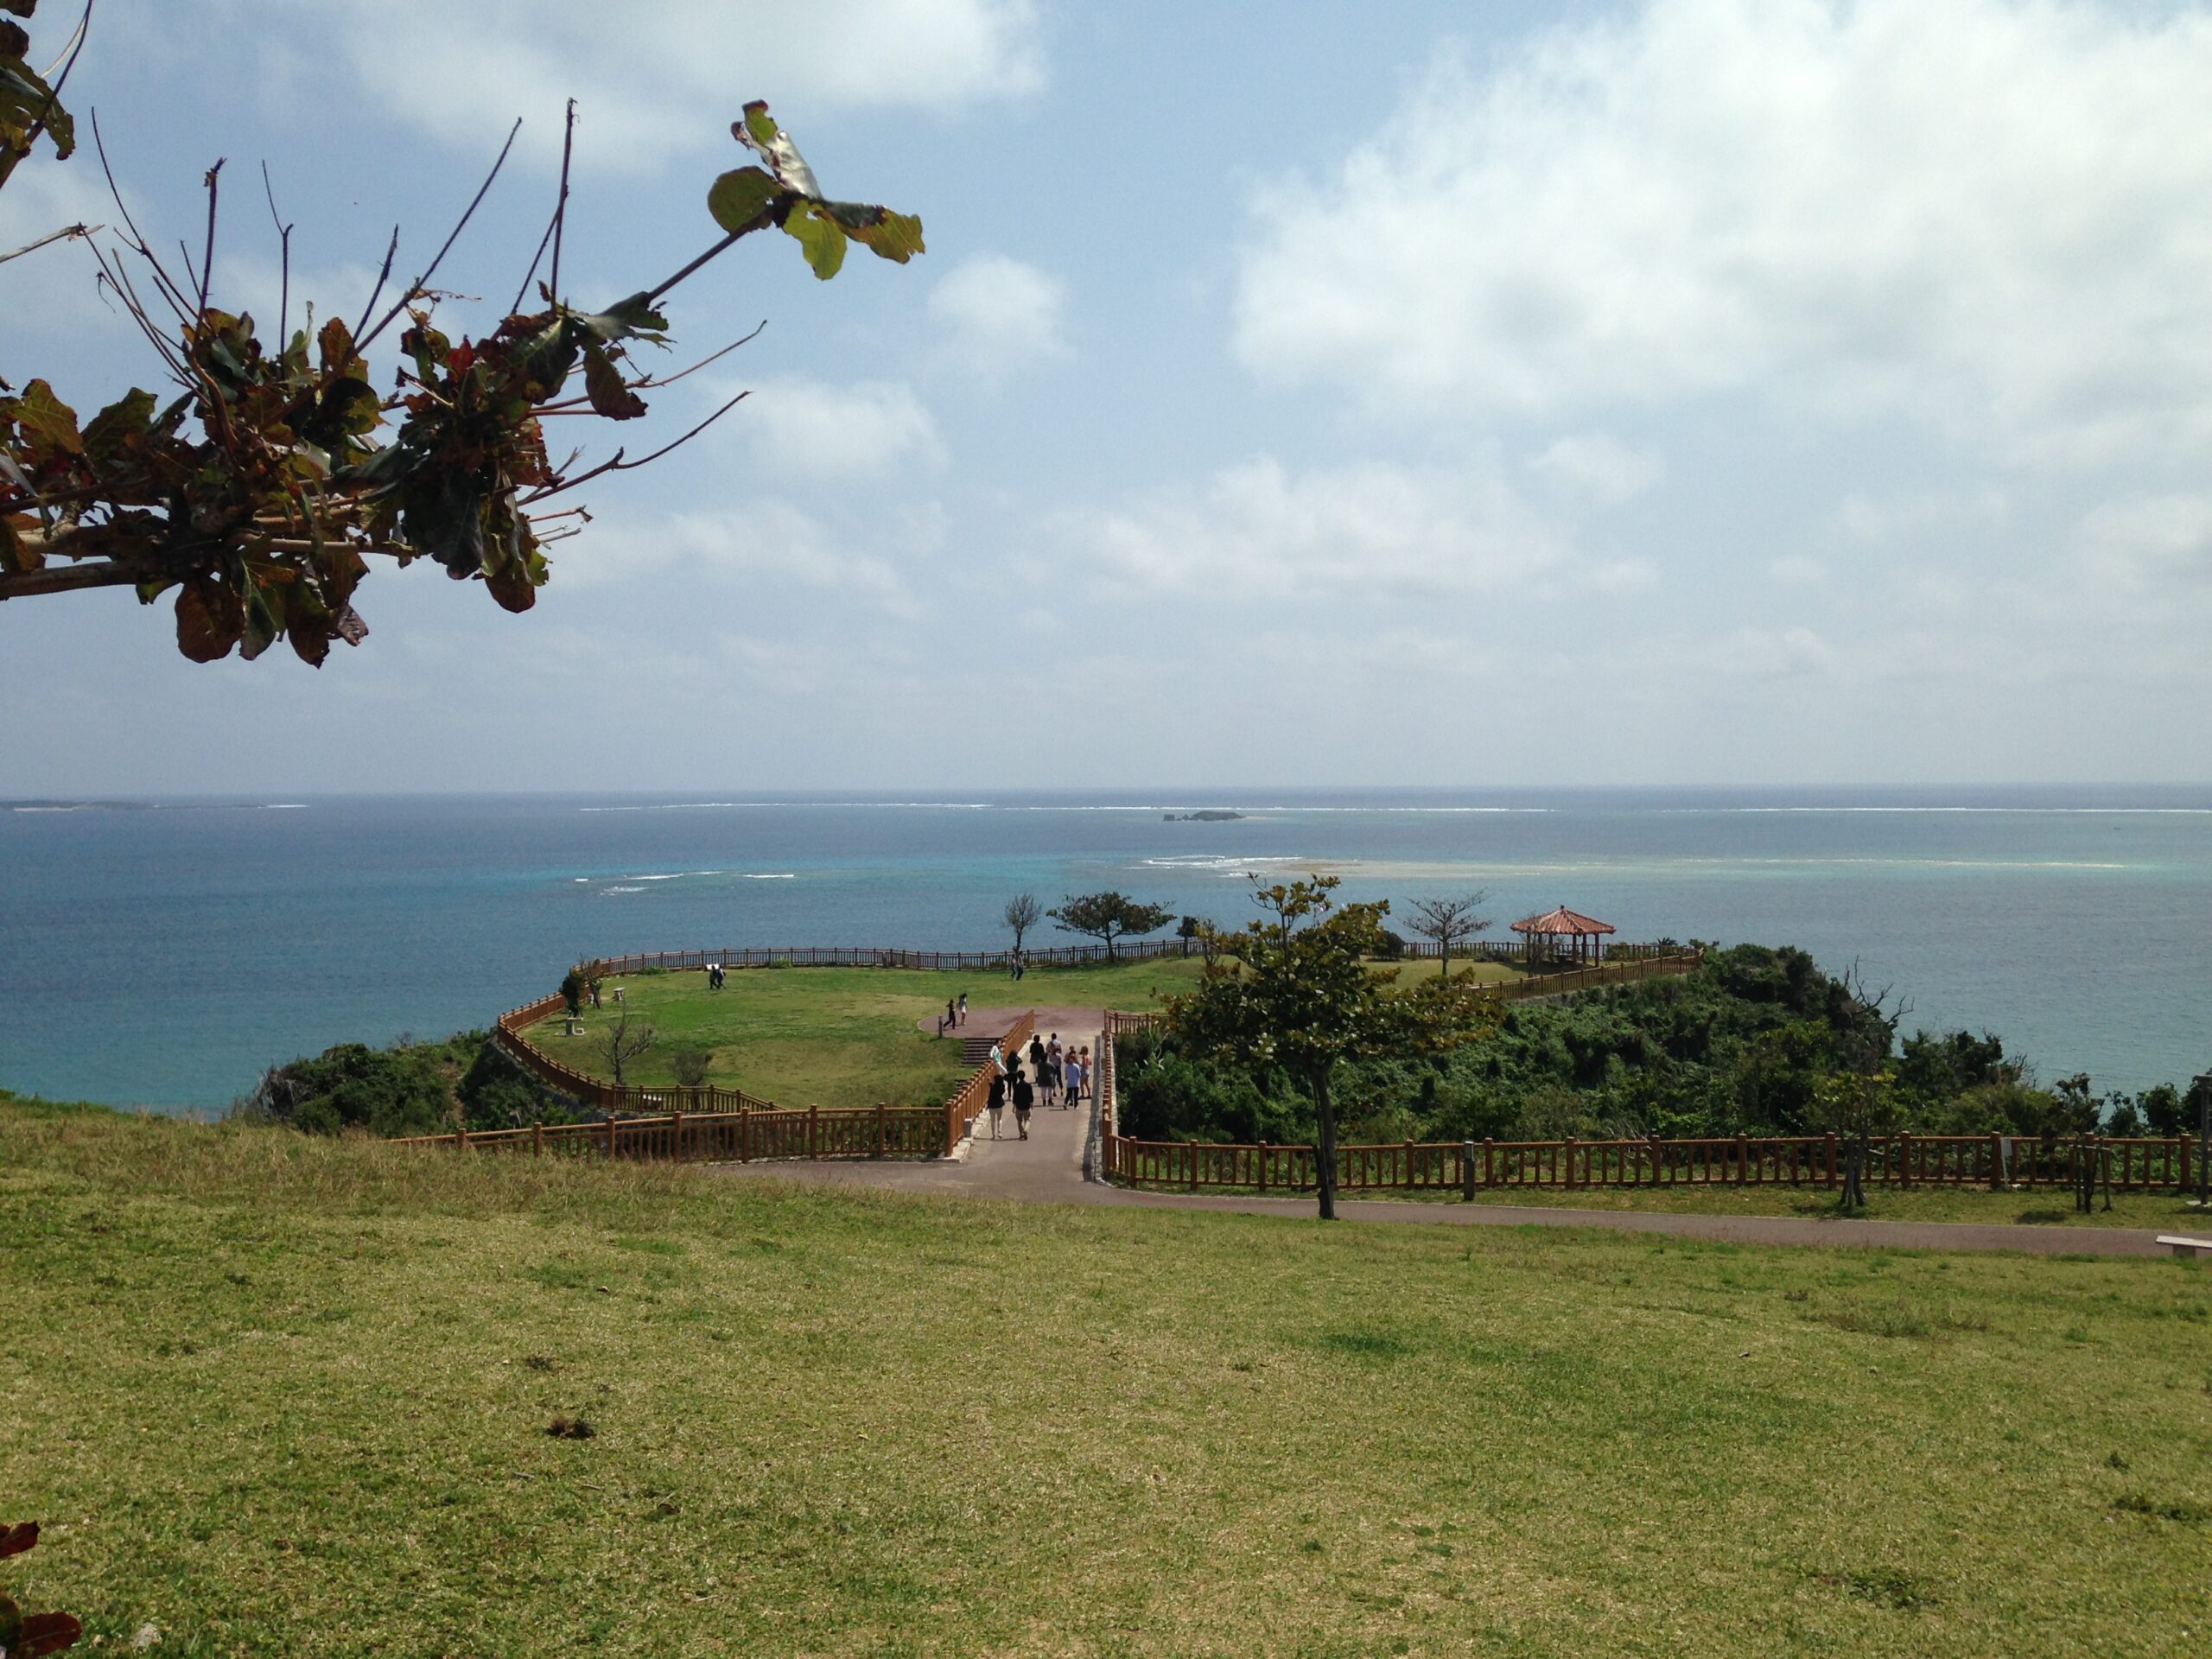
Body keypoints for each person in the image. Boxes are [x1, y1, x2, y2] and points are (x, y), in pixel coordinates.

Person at [1011, 1063, 1034, 1140]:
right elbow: (1031, 1095)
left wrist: (1014, 1106)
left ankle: (1021, 1134)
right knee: (1027, 1119)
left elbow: (1014, 1096)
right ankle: (1026, 1130)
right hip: (1026, 1105)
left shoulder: (1016, 1086)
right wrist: (1031, 1104)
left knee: (1019, 1121)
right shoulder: (1028, 1085)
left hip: (1019, 1106)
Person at [986, 1068, 1007, 1139]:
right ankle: (999, 1132)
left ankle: (993, 1135)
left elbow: (991, 1092)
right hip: (999, 1105)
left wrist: (988, 1105)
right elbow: (993, 1086)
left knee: (992, 1120)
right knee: (999, 1119)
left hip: (992, 1106)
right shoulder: (1002, 1088)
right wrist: (990, 1082)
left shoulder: (993, 1088)